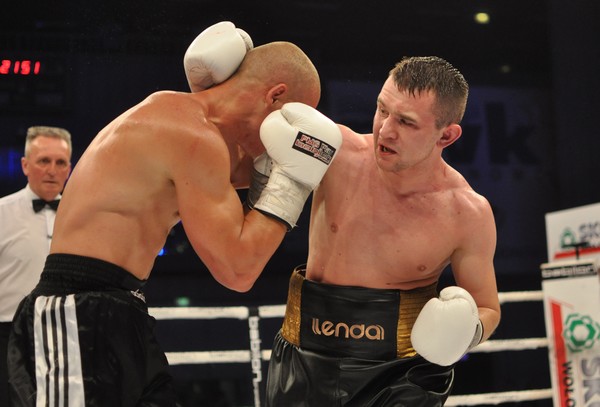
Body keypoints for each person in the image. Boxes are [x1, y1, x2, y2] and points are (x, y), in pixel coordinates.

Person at [8, 22, 342, 407]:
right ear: (275, 96)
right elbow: (238, 269)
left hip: (120, 310)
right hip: (75, 313)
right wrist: (292, 182)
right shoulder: (189, 133)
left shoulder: (190, 129)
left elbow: (252, 175)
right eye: (290, 118)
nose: (281, 136)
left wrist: (293, 166)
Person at [263, 56, 502, 406]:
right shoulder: (335, 152)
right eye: (382, 110)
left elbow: (487, 307)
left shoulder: (466, 212)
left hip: (403, 376)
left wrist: (468, 332)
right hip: (305, 357)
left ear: (447, 135)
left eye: (406, 122)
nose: (385, 130)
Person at [0, 126, 72, 407]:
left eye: (60, 162)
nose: (52, 170)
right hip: (7, 336)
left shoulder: (82, 217)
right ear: (25, 165)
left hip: (67, 337)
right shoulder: (2, 213)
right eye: (44, 161)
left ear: (69, 168)